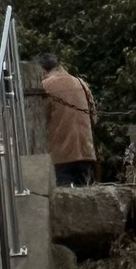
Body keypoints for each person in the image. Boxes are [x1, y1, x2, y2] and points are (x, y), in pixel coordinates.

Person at [38, 51, 98, 186]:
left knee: (61, 195)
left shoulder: (44, 87)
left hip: (60, 156)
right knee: (85, 192)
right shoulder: (81, 84)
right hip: (86, 152)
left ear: (42, 71)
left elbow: (39, 122)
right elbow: (93, 118)